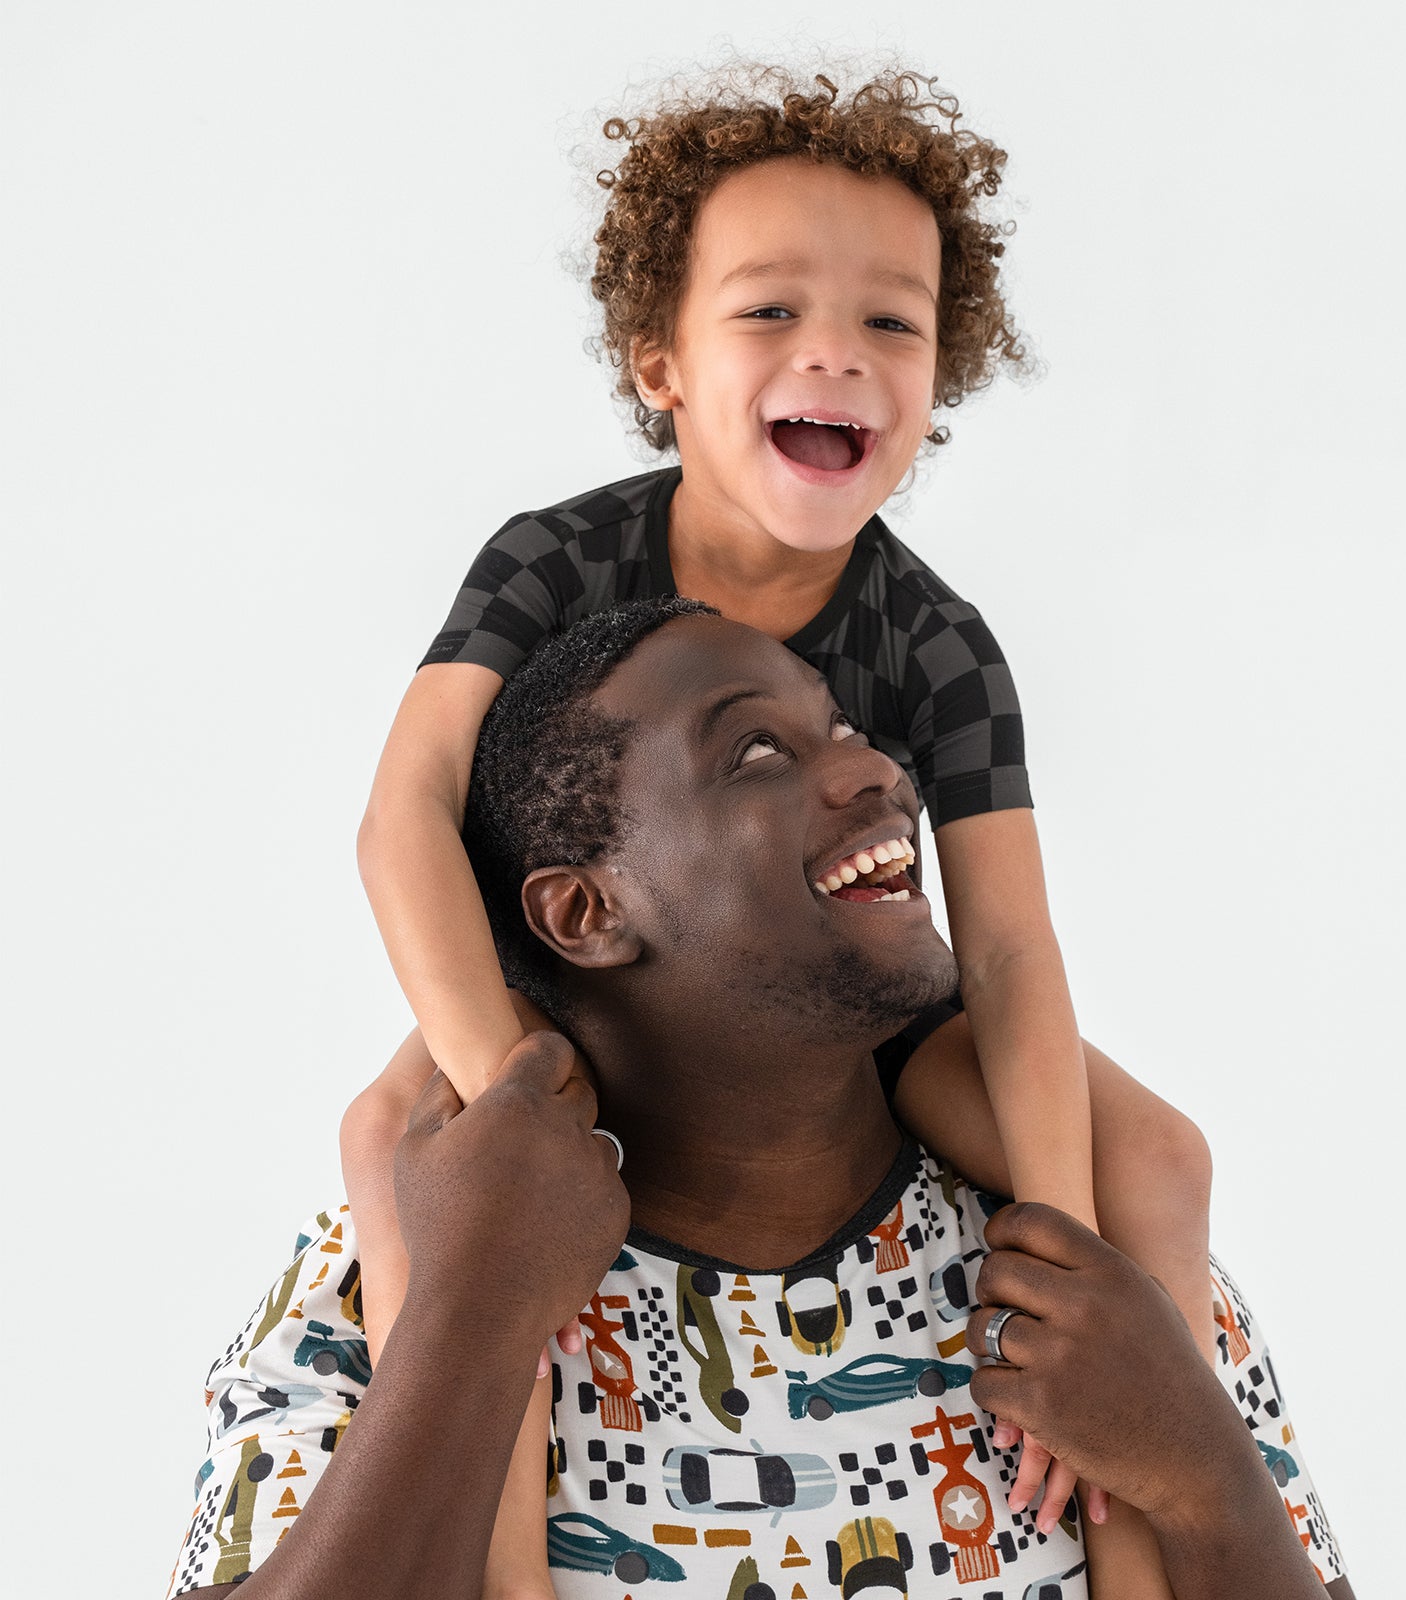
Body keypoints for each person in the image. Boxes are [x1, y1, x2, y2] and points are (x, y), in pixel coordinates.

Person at [347, 68, 1214, 1598]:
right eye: (769, 313)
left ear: (942, 381)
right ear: (658, 361)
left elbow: (1006, 947)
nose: (837, 351)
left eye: (893, 322)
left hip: (863, 1017)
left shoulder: (942, 643)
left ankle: (1146, 1549)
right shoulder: (555, 561)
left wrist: (1063, 1254)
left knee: (1154, 1155)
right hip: (582, 1003)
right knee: (392, 1141)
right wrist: (516, 1090)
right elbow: (403, 814)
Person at [166, 602, 1351, 1600]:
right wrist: (471, 1313)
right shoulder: (387, 1289)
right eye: (758, 756)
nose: (881, 773)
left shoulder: (1092, 1282)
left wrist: (1208, 1479)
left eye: (841, 728)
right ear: (585, 912)